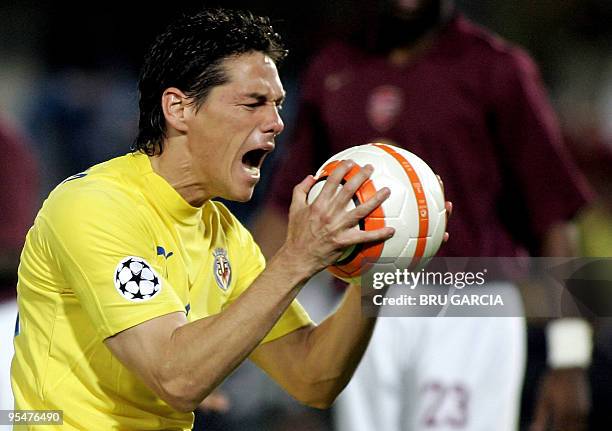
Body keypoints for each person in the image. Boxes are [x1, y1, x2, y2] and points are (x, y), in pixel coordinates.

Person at [11, 8, 408, 430]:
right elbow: (176, 378)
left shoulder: (225, 234)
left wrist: (378, 270)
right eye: (253, 103)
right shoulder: (93, 207)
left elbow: (311, 376)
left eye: (277, 106)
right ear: (179, 109)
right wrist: (297, 258)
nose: (275, 123)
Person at [253, 1, 593, 430]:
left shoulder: (498, 69)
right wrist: (233, 324)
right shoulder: (333, 69)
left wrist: (571, 357)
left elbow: (556, 216)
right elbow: (285, 209)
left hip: (469, 302)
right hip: (362, 306)